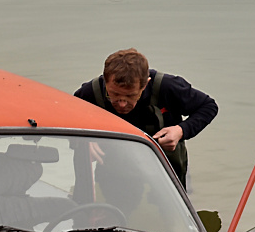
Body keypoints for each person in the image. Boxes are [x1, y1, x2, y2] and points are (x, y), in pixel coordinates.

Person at [74, 48, 217, 185]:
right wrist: (84, 140)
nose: (122, 104)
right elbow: (67, 124)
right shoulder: (89, 93)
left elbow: (208, 106)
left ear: (145, 84)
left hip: (163, 172)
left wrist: (181, 130)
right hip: (109, 171)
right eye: (115, 94)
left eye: (131, 96)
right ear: (106, 81)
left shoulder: (168, 87)